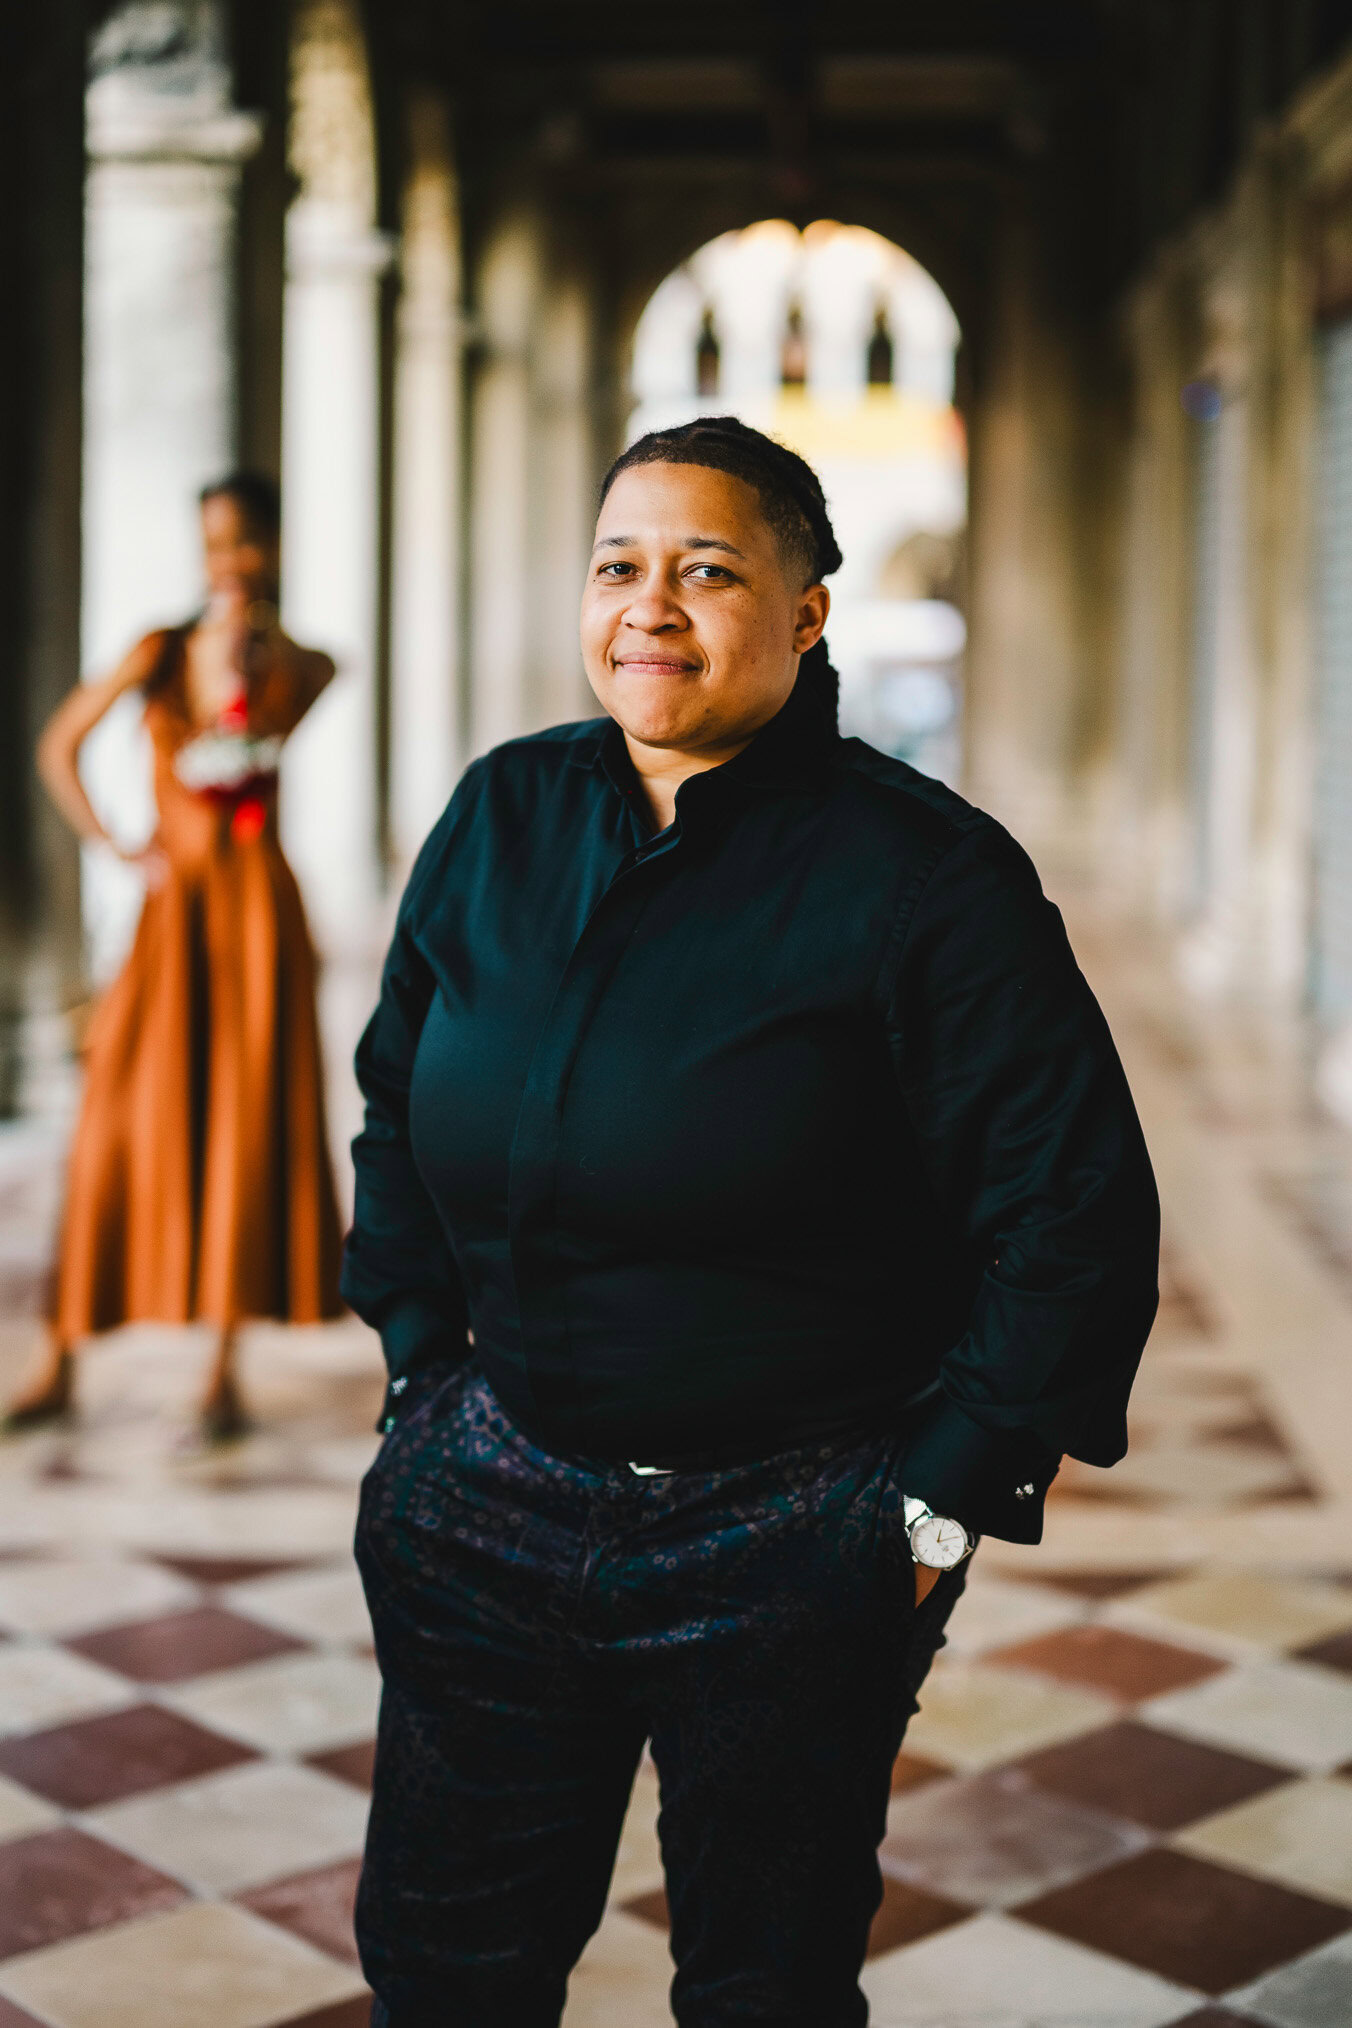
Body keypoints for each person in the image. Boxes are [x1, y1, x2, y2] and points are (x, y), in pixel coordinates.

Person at [344, 417, 1160, 2027]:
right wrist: (419, 1382)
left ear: (805, 612)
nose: (651, 606)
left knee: (761, 1989)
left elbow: (1074, 1213)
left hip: (796, 1528)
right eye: (620, 567)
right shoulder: (500, 817)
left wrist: (924, 1520)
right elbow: (392, 1096)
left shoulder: (926, 876)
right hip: (488, 1494)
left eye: (708, 571)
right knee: (446, 1969)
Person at [8, 473, 344, 1442]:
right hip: (173, 915)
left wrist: (253, 660)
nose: (227, 562)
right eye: (213, 545)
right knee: (114, 1121)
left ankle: (221, 1369)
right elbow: (59, 745)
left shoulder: (298, 665)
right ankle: (59, 1356)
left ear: (274, 550)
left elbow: (306, 689)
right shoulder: (157, 651)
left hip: (257, 919)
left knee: (243, 1123)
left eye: (244, 544)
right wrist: (117, 843)